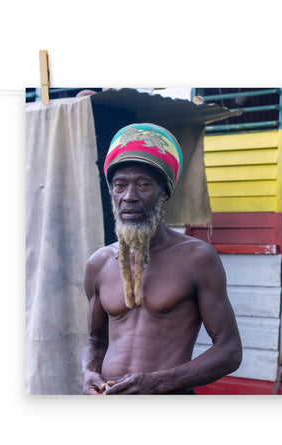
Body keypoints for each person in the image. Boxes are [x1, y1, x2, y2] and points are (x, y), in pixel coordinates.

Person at [80, 123, 242, 394]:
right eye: (120, 185)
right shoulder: (99, 263)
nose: (129, 197)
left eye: (143, 184)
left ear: (165, 192)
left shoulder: (196, 258)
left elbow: (229, 350)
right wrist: (89, 374)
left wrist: (156, 383)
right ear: (112, 192)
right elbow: (95, 341)